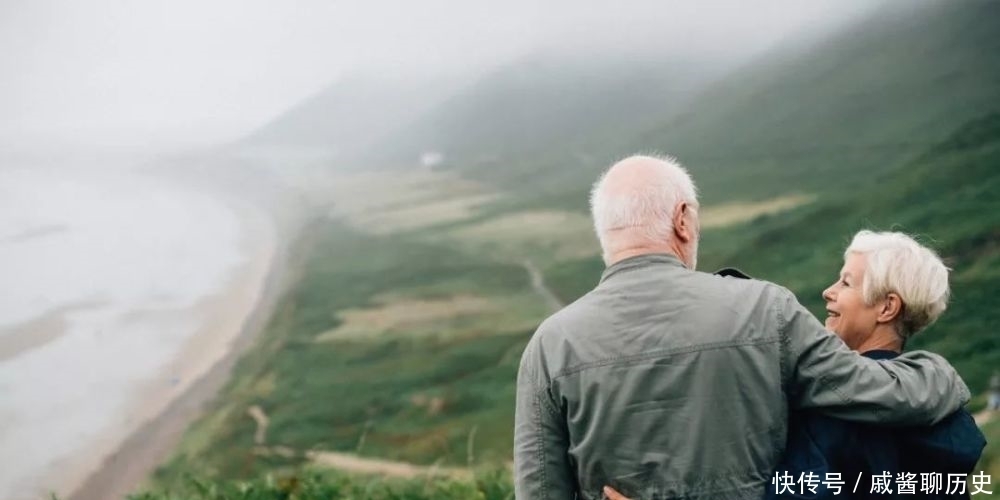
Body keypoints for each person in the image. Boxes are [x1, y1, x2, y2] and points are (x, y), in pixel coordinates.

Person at [513, 155, 970, 500]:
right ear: (683, 220)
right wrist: (940, 373)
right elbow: (880, 393)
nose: (831, 292)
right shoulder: (767, 310)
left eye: (846, 281)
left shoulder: (549, 345)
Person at [607, 231, 986, 500]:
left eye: (847, 283)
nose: (829, 291)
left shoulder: (831, 413)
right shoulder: (947, 414)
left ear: (887, 307)